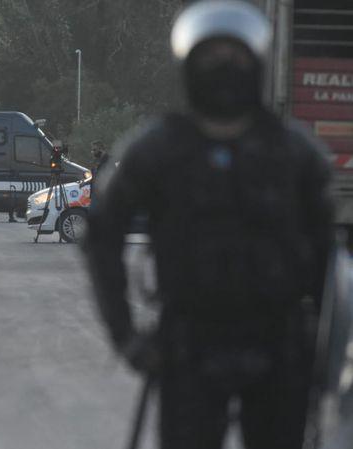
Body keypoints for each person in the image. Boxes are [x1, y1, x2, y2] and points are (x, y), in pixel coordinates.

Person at [83, 2, 334, 448]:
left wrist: (324, 340)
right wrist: (125, 335)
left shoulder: (294, 151)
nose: (224, 69)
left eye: (236, 57)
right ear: (189, 64)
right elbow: (102, 233)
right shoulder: (157, 148)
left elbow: (330, 252)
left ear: (256, 63)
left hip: (279, 345)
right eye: (211, 56)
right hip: (189, 345)